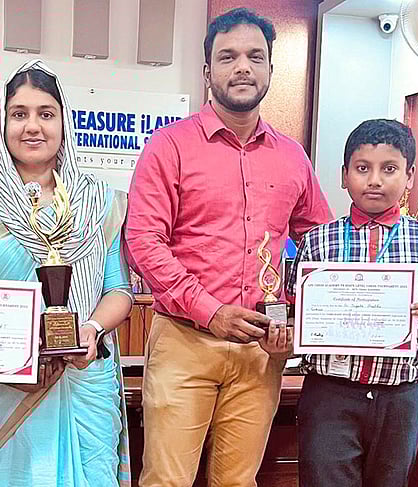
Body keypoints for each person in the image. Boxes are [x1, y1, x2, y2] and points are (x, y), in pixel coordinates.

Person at [125, 7, 332, 487]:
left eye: (255, 57)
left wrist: (297, 316)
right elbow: (143, 242)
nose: (243, 67)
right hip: (185, 341)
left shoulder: (292, 157)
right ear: (207, 72)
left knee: (238, 482)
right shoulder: (169, 146)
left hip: (261, 350)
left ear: (270, 70)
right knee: (167, 481)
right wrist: (210, 310)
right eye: (228, 57)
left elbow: (320, 245)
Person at [0, 59, 133, 487]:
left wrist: (91, 329)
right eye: (19, 114)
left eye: (46, 114)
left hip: (85, 377)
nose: (32, 127)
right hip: (4, 387)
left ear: (64, 123)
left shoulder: (99, 200)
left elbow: (118, 289)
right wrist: (10, 360)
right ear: (2, 124)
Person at [286, 119, 418, 487]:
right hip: (330, 392)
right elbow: (295, 313)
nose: (374, 180)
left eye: (389, 169)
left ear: (409, 175)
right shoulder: (317, 240)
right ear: (344, 175)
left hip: (400, 396)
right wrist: (286, 334)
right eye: (362, 168)